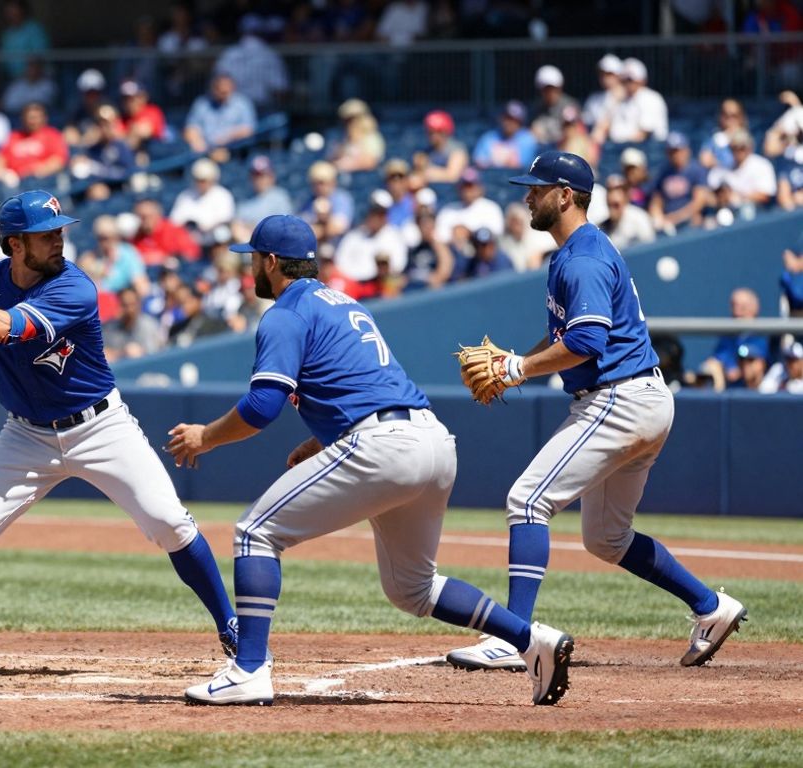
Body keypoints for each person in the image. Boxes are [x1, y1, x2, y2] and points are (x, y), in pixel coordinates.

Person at [167, 214, 573, 707]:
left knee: (256, 533)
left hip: (384, 448)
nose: (250, 267)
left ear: (271, 262)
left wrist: (204, 436)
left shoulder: (285, 313)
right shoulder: (343, 304)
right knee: (413, 589)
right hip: (432, 441)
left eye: (253, 258)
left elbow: (262, 406)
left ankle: (249, 668)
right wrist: (321, 442)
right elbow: (365, 388)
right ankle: (533, 641)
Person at [0, 190, 237, 679]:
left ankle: (231, 625)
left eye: (58, 233)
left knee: (169, 523)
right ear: (14, 245)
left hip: (100, 426)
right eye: (45, 236)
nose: (58, 242)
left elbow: (7, 329)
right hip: (25, 435)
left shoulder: (75, 287)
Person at [444, 151, 747, 674]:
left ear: (566, 195)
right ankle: (710, 606)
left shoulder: (581, 257)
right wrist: (518, 359)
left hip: (618, 399)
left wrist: (517, 368)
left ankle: (516, 638)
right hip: (643, 399)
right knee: (605, 538)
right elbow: (569, 337)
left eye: (537, 189)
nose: (527, 196)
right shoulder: (581, 250)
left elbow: (585, 340)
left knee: (526, 500)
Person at [649, 132, 710, 233]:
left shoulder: (696, 170)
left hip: (689, 221)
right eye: (672, 151)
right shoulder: (664, 173)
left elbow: (699, 202)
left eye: (678, 150)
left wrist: (674, 219)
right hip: (668, 226)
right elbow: (656, 201)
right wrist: (658, 217)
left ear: (686, 150)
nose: (675, 155)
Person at [473, 101, 539, 170]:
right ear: (501, 118)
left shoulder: (528, 139)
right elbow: (479, 162)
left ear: (520, 122)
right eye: (507, 118)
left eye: (514, 120)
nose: (510, 123)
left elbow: (523, 166)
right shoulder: (488, 137)